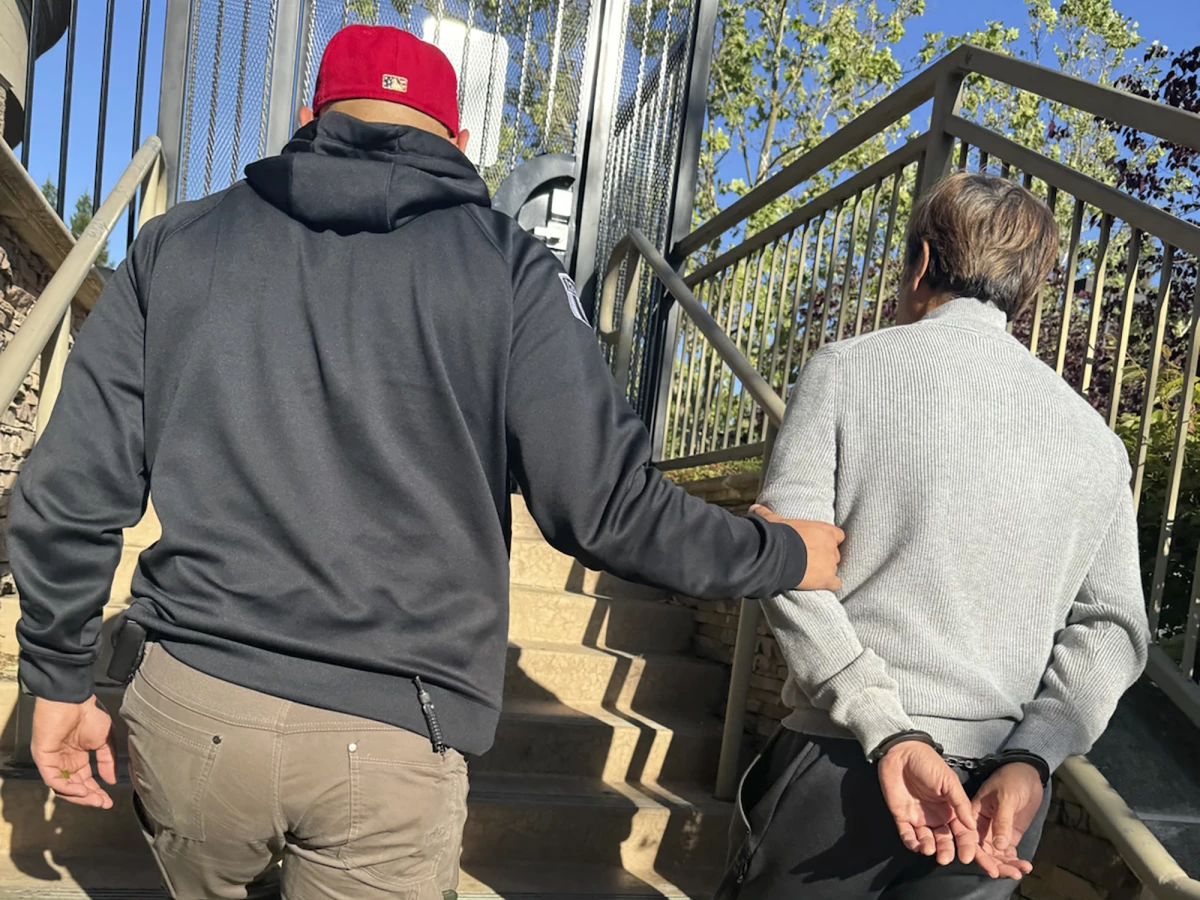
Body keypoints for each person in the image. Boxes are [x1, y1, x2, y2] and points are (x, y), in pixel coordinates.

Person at [7, 24, 844, 900]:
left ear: (309, 115)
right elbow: (604, 509)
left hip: (195, 704)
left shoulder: (178, 246)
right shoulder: (512, 271)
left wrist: (60, 673)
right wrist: (781, 554)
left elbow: (69, 487)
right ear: (460, 140)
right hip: (394, 735)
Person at [718, 172, 1150, 900]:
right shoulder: (1096, 443)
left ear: (919, 264)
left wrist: (888, 727)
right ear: (1029, 290)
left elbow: (788, 561)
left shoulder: (845, 373)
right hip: (997, 800)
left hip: (841, 764)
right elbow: (1113, 629)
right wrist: (1034, 758)